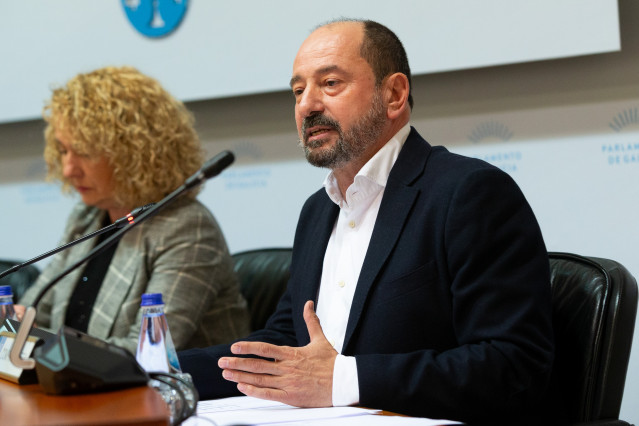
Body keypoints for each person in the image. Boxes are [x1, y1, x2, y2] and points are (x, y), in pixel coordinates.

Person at [178, 19, 554, 424]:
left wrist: (344, 379)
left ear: (393, 94)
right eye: (298, 91)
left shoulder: (468, 194)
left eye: (331, 83)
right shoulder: (317, 210)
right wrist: (159, 372)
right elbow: (288, 343)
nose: (307, 105)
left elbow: (513, 363)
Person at [18, 66, 250, 354]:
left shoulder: (187, 228)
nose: (68, 169)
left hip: (176, 395)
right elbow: (35, 311)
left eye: (85, 152)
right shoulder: (87, 217)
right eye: (64, 150)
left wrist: (42, 347)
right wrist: (14, 327)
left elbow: (146, 350)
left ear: (131, 152)